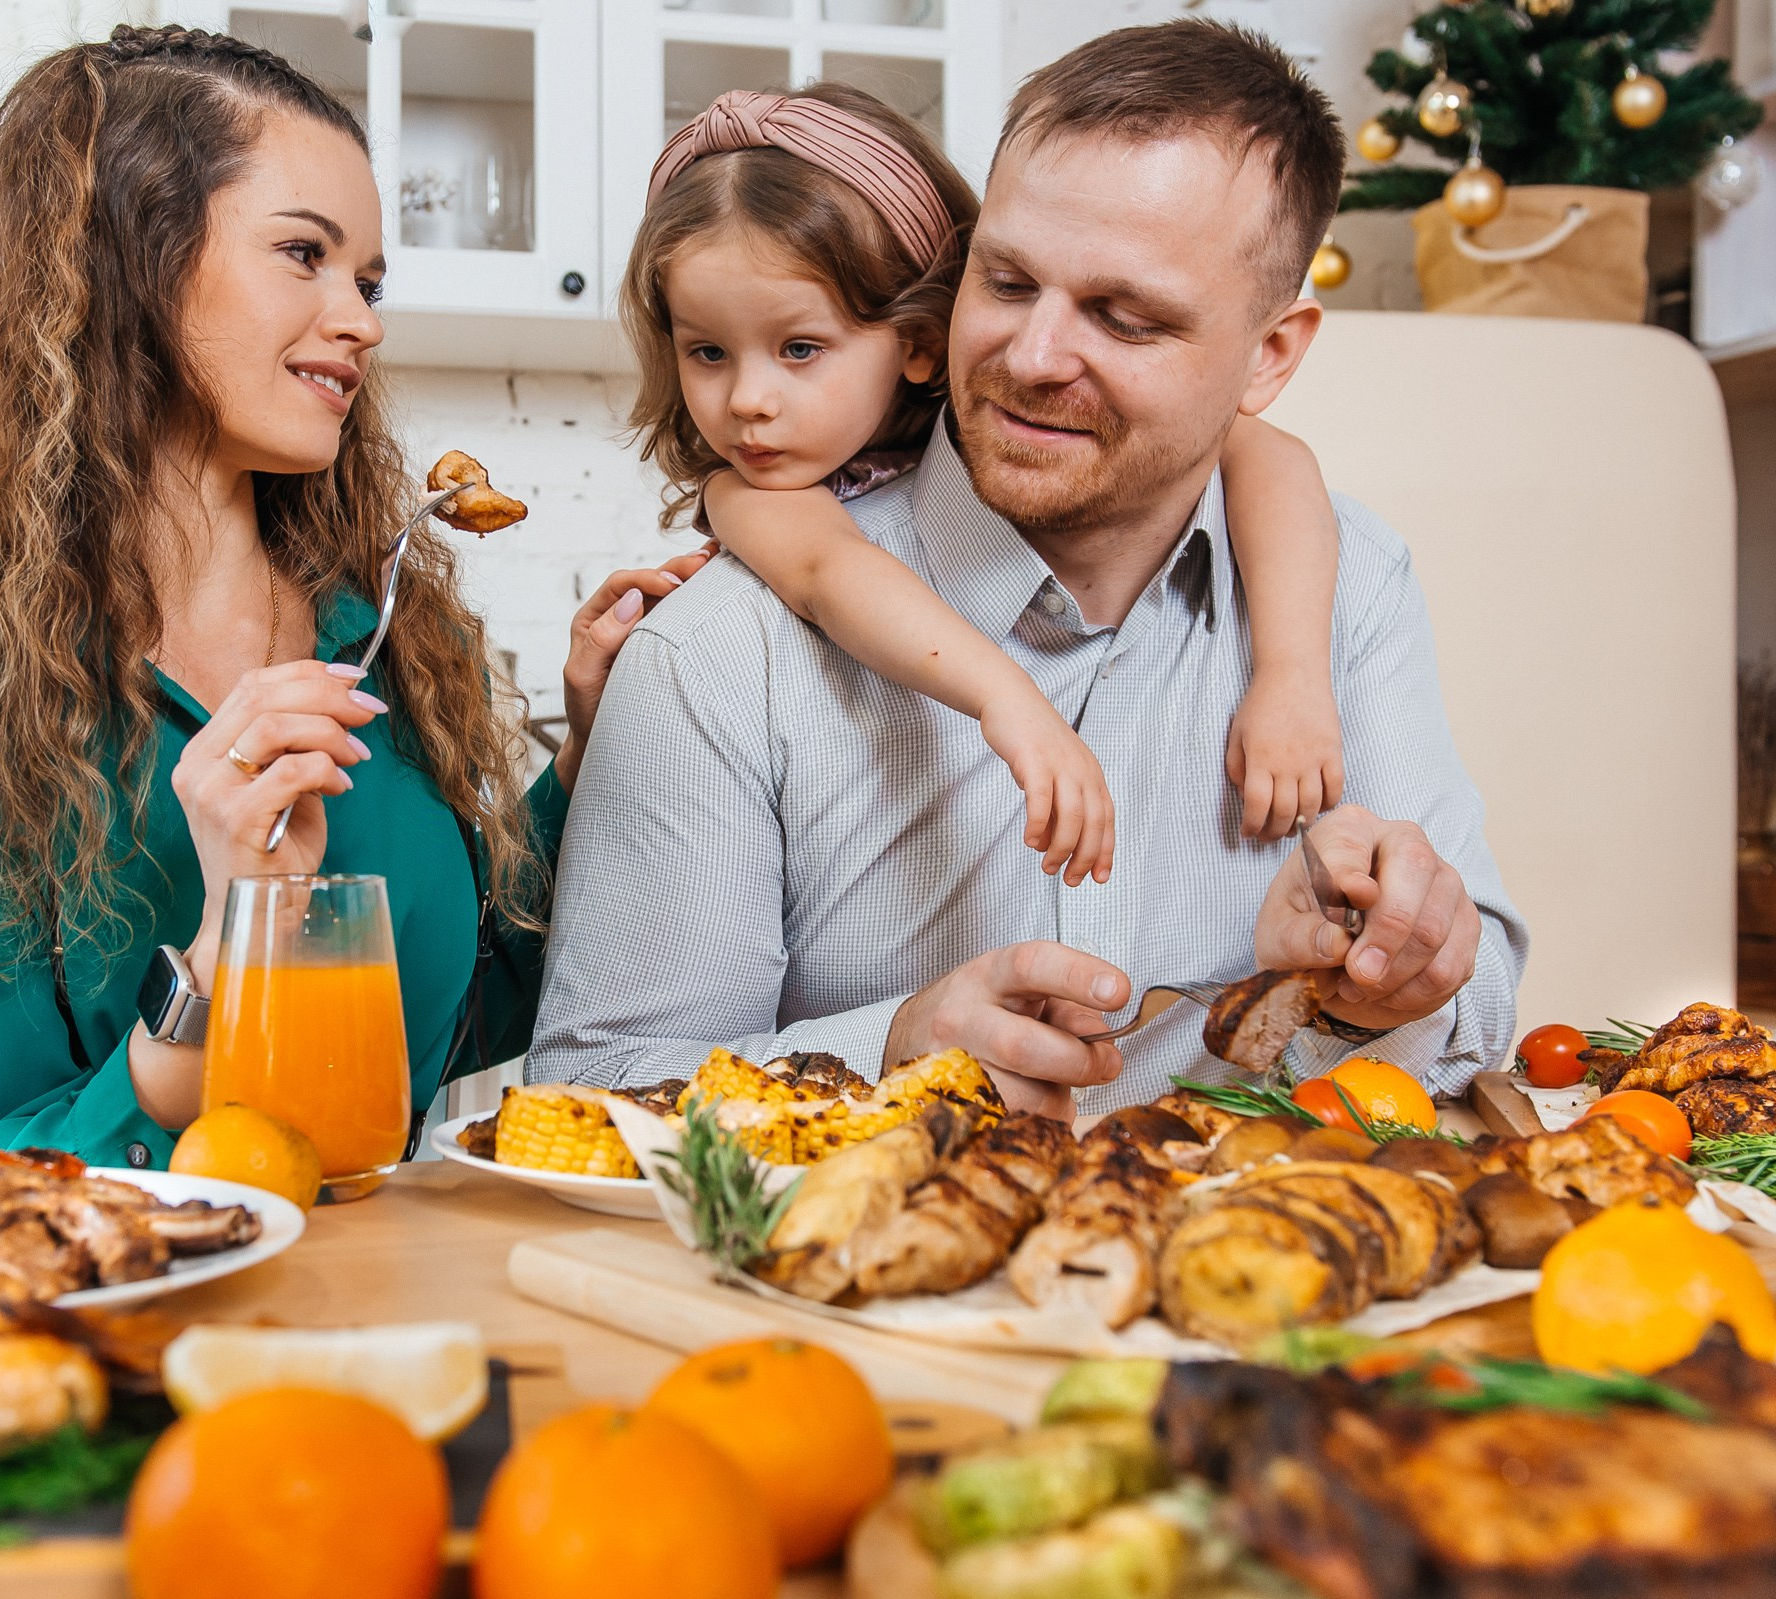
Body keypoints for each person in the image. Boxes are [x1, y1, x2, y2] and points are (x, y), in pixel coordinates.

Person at [532, 22, 1529, 1116]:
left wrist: (1377, 986)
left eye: (1124, 316)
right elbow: (594, 1098)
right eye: (1006, 284)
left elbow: (1476, 1031)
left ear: (1271, 355)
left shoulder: (1352, 585)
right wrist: (893, 1048)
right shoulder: (720, 647)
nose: (1033, 357)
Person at [0, 26, 702, 1167]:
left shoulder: (387, 647)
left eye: (368, 280)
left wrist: (589, 761)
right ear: (130, 257)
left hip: (398, 1295)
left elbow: (464, 1011)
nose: (362, 319)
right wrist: (231, 947)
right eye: (303, 254)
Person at [626, 85, 1347, 886]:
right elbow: (836, 574)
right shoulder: (751, 493)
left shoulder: (1005, 415)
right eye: (707, 352)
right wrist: (1008, 698)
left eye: (798, 349)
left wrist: (1291, 676)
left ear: (921, 343)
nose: (746, 402)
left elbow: (1272, 458)